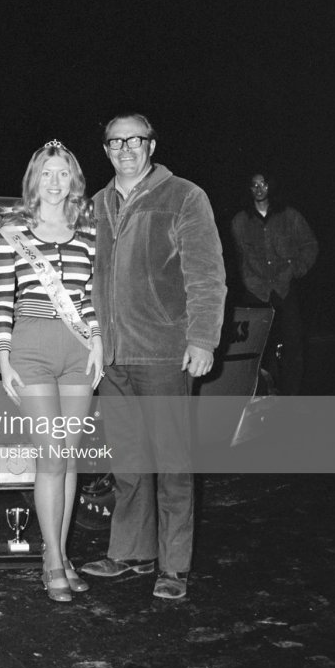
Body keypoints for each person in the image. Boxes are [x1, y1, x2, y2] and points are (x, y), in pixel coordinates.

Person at [81, 114, 226, 601]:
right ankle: (130, 553)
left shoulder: (184, 196)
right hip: (112, 357)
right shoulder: (96, 204)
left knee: (173, 464)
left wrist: (202, 339)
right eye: (115, 141)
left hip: (164, 352)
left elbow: (206, 275)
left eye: (134, 140)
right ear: (105, 149)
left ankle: (174, 566)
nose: (125, 148)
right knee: (128, 463)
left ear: (151, 144)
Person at [0, 141, 103, 604]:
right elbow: (1, 301)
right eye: (46, 174)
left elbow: (93, 295)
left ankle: (62, 556)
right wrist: (3, 357)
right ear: (33, 180)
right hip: (32, 346)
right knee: (51, 456)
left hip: (79, 350)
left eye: (63, 174)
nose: (54, 182)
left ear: (74, 181)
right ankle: (52, 560)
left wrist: (97, 341)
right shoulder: (12, 233)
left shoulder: (89, 233)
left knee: (69, 457)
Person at [231, 172, 318, 396]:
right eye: (254, 185)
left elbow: (310, 244)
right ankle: (262, 394)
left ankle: (291, 397)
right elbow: (235, 257)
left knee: (294, 347)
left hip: (284, 288)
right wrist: (246, 279)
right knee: (255, 350)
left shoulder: (290, 216)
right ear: (249, 189)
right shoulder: (240, 221)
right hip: (256, 292)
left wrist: (296, 269)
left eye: (263, 184)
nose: (259, 189)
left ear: (271, 186)